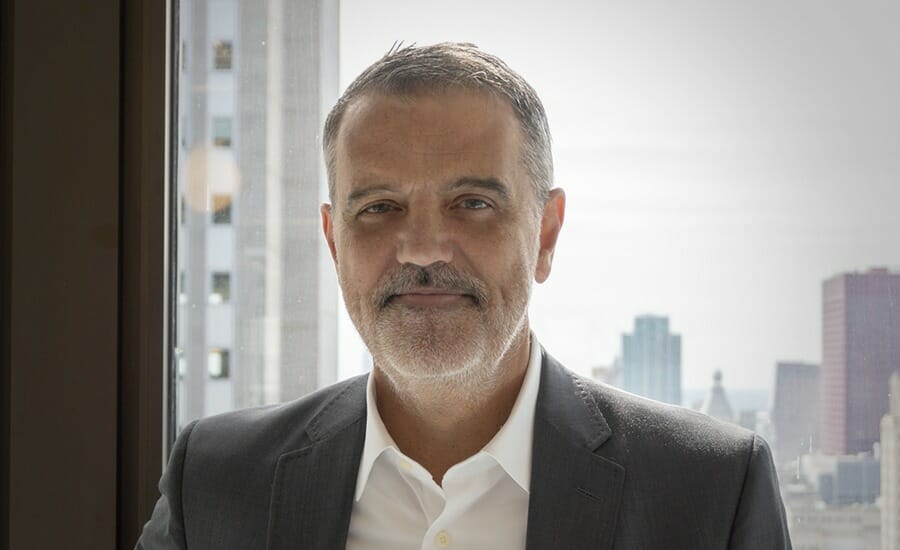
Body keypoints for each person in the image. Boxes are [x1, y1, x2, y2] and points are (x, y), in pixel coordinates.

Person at [137, 42, 792, 549]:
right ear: (335, 243)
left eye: (472, 203)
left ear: (546, 233)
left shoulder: (710, 491)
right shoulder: (217, 482)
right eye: (381, 206)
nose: (422, 248)